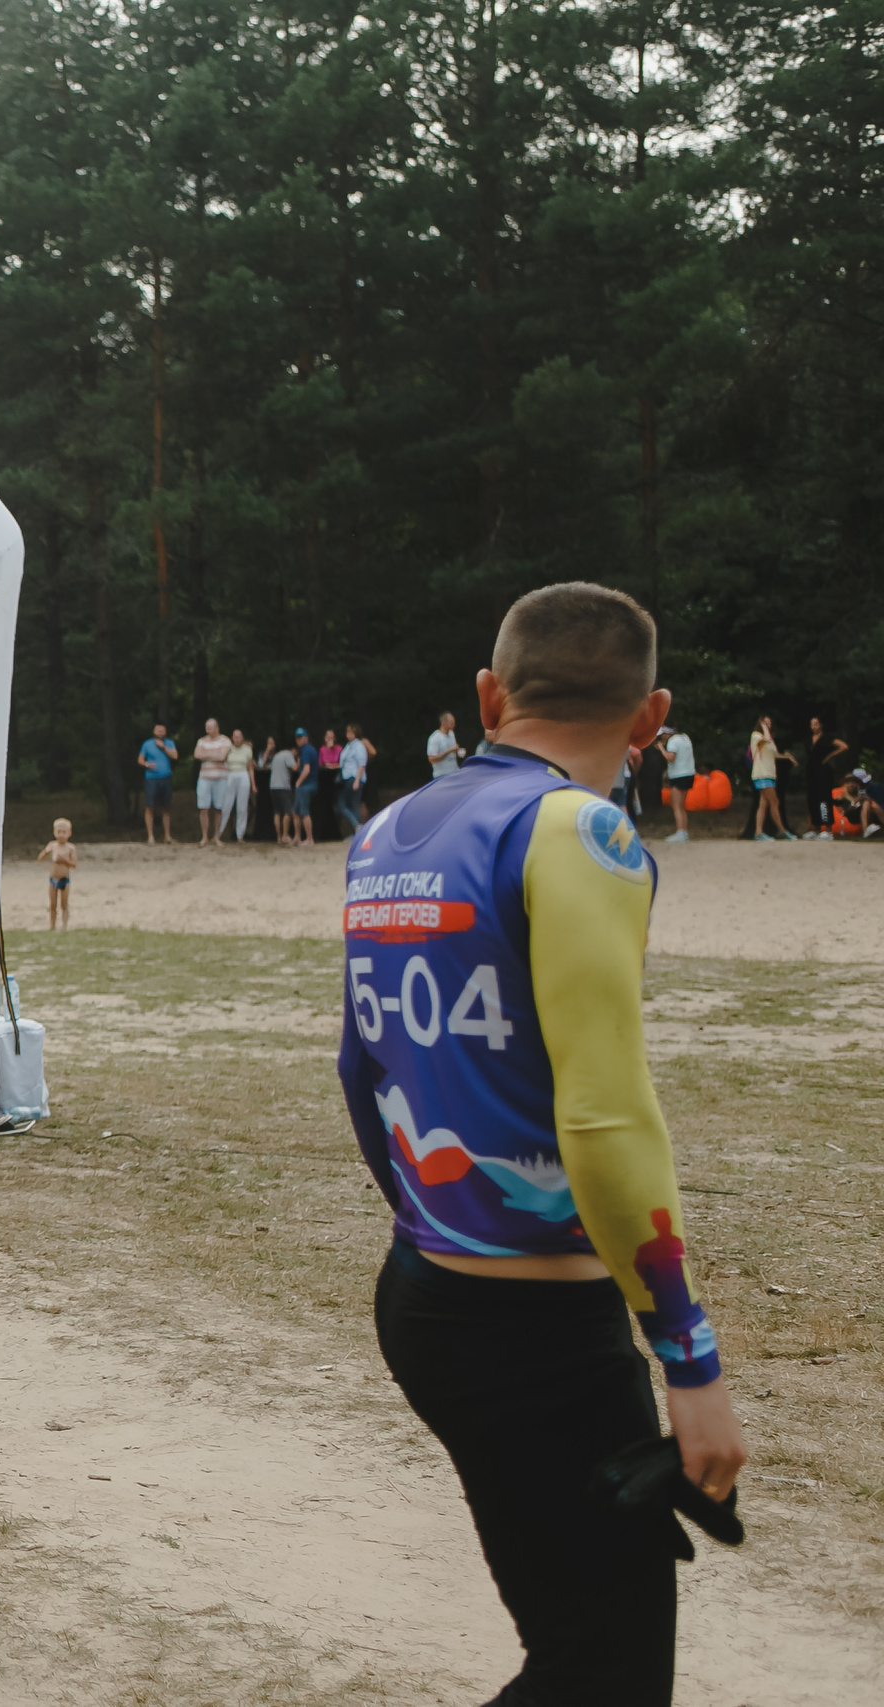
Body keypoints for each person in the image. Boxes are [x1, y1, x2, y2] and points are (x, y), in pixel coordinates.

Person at [342, 582, 743, 1707]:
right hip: (538, 1335)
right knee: (600, 1671)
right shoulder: (581, 831)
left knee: (575, 1643)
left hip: (425, 1296)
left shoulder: (387, 830)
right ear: (650, 716)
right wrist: (690, 1363)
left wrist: (434, 1222)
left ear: (487, 694)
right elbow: (606, 1115)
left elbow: (360, 1069)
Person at [748, 715, 790, 841]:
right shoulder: (756, 736)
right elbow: (764, 739)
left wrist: (787, 757)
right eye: (765, 723)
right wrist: (764, 728)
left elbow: (774, 755)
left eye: (769, 723)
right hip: (762, 774)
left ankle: (759, 832)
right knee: (775, 802)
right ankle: (782, 830)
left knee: (764, 803)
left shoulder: (770, 740)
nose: (768, 725)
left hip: (770, 775)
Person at [193, 718, 233, 848]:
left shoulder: (225, 740)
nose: (208, 730)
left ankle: (216, 836)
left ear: (217, 728)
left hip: (220, 778)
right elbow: (197, 754)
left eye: (210, 727)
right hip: (204, 778)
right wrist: (214, 754)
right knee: (203, 808)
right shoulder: (201, 740)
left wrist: (207, 754)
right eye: (207, 727)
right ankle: (204, 837)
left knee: (218, 808)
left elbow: (222, 757)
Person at [806, 716, 847, 840]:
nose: (814, 727)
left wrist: (830, 756)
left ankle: (827, 828)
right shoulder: (809, 739)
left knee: (824, 797)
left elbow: (843, 746)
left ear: (821, 725)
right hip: (811, 771)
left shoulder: (827, 738)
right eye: (812, 724)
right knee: (813, 798)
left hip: (823, 770)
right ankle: (816, 827)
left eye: (816, 724)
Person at [138, 723, 179, 844]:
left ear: (165, 732)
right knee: (149, 807)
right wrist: (146, 764)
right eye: (158, 730)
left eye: (162, 731)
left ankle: (167, 836)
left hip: (166, 778)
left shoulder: (169, 743)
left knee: (166, 807)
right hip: (151, 779)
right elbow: (140, 759)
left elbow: (175, 756)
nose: (160, 733)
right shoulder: (147, 744)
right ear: (154, 731)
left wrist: (164, 747)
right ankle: (151, 837)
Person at [36, 817, 77, 928]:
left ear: (69, 833)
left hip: (65, 879)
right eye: (59, 832)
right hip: (53, 878)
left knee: (64, 903)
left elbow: (74, 865)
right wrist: (46, 852)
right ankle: (52, 925)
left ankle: (64, 925)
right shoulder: (52, 846)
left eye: (64, 832)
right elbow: (40, 859)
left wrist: (64, 860)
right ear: (54, 832)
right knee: (52, 904)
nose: (61, 835)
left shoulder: (70, 848)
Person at [337, 722, 371, 831]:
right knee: (352, 804)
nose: (349, 735)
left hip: (354, 778)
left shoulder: (359, 746)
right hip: (347, 778)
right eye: (348, 732)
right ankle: (357, 828)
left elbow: (362, 764)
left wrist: (357, 781)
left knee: (344, 804)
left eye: (351, 732)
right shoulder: (348, 746)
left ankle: (357, 826)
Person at [268, 735, 300, 847]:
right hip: (283, 787)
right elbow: (295, 768)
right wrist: (299, 762)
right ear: (293, 750)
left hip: (273, 787)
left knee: (277, 812)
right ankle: (285, 835)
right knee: (287, 811)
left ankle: (278, 837)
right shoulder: (288, 754)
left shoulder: (276, 756)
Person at [223, 727, 253, 841]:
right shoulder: (228, 749)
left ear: (242, 738)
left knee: (242, 806)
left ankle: (240, 834)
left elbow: (250, 767)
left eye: (239, 736)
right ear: (232, 738)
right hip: (230, 774)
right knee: (227, 804)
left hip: (243, 774)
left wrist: (253, 784)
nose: (237, 739)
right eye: (235, 736)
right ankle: (220, 832)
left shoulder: (247, 749)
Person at [291, 730, 319, 846]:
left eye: (301, 737)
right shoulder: (306, 750)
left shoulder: (306, 750)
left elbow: (306, 769)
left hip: (306, 785)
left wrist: (298, 782)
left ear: (306, 738)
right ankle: (297, 837)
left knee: (304, 812)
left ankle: (309, 839)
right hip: (308, 785)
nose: (298, 740)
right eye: (297, 737)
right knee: (295, 811)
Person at [426, 711, 463, 781]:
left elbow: (453, 751)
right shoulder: (435, 738)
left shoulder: (451, 734)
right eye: (451, 722)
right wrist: (449, 751)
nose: (454, 724)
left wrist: (457, 751)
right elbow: (431, 759)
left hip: (454, 773)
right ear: (444, 723)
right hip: (441, 775)